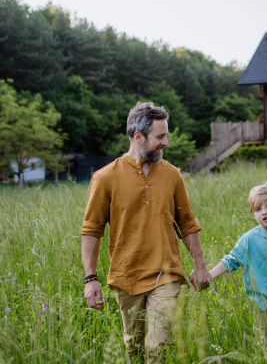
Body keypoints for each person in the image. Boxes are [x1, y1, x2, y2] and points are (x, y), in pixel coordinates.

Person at [81, 102, 211, 364]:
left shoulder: (172, 174)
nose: (166, 143)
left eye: (166, 135)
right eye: (160, 137)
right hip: (126, 276)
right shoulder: (105, 177)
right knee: (135, 347)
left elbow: (187, 223)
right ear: (138, 137)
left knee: (158, 346)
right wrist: (90, 278)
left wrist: (201, 266)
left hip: (167, 274)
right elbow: (92, 230)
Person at [193, 183, 267, 342]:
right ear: (253, 215)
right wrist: (208, 276)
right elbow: (230, 261)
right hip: (262, 306)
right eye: (258, 209)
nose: (264, 212)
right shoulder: (249, 239)